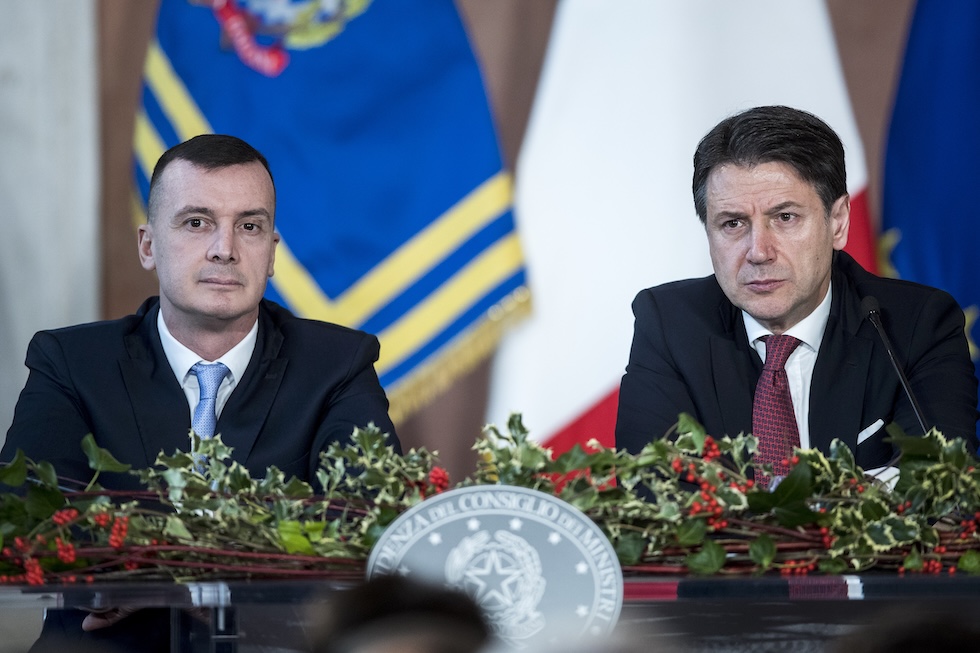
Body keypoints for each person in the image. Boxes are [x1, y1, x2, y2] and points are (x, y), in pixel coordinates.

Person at [1, 134, 400, 650]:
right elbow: (24, 515)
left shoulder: (337, 364)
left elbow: (368, 524)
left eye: (249, 226)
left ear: (271, 253)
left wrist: (165, 577)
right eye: (197, 222)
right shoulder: (71, 362)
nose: (225, 249)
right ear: (148, 246)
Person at [615, 105, 978, 475]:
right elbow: (650, 487)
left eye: (785, 217)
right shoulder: (670, 324)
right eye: (733, 223)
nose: (759, 252)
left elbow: (940, 479)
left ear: (838, 222)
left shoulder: (914, 325)